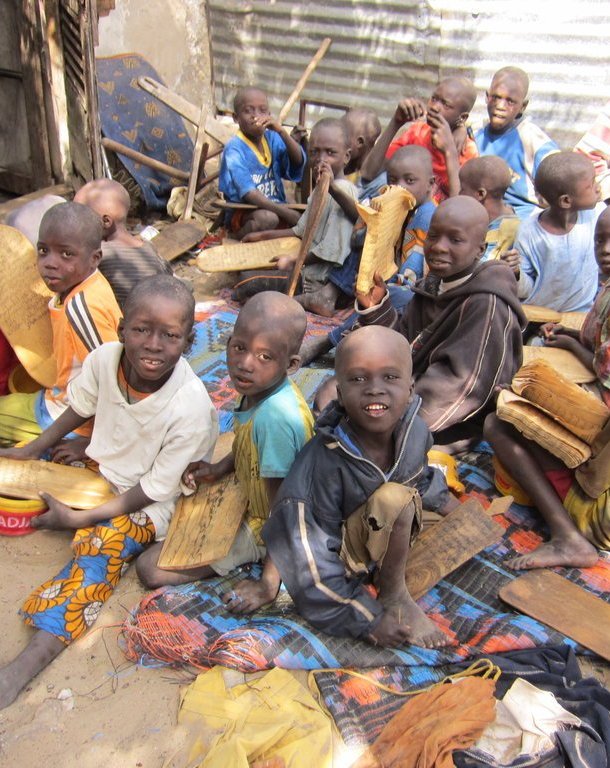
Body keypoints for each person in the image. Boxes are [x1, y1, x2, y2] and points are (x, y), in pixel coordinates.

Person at [0, 275, 218, 709]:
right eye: (140, 330)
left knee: (99, 549)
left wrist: (80, 518)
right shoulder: (105, 359)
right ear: (121, 330)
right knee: (30, 471)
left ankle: (28, 662)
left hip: (151, 503)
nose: (153, 345)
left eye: (169, 335)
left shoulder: (190, 405)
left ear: (189, 341)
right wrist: (34, 450)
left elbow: (154, 489)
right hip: (107, 469)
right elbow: (80, 405)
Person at [263, 325, 458, 648]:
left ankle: (387, 568)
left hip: (383, 531)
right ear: (339, 393)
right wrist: (366, 618)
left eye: (390, 378)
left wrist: (450, 506)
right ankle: (393, 594)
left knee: (419, 504)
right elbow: (308, 555)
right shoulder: (322, 463)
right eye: (358, 379)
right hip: (339, 553)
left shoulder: (414, 431)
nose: (374, 390)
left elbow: (419, 474)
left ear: (410, 390)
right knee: (397, 498)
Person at [136, 291, 314, 613]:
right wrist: (221, 468)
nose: (245, 364)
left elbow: (285, 509)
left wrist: (267, 584)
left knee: (150, 567)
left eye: (265, 357)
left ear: (291, 364)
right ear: (229, 341)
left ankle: (254, 556)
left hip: (268, 523)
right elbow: (250, 445)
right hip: (254, 492)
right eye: (240, 347)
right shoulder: (258, 390)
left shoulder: (276, 418)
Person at [483, 206, 610, 570]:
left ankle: (568, 536)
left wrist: (571, 349)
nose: (605, 249)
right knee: (513, 399)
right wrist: (575, 337)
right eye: (600, 239)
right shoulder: (606, 287)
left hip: (599, 513)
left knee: (500, 420)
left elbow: (603, 372)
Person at [357, 196, 525, 448]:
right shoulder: (435, 283)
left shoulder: (487, 304)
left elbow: (463, 386)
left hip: (456, 416)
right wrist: (377, 309)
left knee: (378, 440)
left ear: (480, 249)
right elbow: (406, 343)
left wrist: (393, 417)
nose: (439, 247)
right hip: (415, 390)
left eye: (455, 240)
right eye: (433, 236)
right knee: (339, 390)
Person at [300, 145, 437, 361]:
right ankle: (329, 296)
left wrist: (380, 284)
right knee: (366, 242)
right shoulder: (399, 208)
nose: (399, 187)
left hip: (415, 293)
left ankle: (327, 342)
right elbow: (357, 241)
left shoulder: (426, 216)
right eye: (393, 180)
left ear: (431, 184)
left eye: (409, 181)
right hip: (392, 278)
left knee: (389, 295)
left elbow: (411, 277)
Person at [0, 202, 121, 444]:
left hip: (70, 418)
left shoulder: (81, 309)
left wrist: (90, 442)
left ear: (94, 258)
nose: (50, 263)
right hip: (63, 396)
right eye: (43, 251)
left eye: (66, 254)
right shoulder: (80, 283)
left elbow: (113, 380)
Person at [244, 118, 359, 298]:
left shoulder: (342, 191)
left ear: (346, 156)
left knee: (245, 284)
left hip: (317, 280)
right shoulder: (320, 189)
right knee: (246, 272)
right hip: (306, 269)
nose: (321, 160)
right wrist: (261, 236)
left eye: (330, 153)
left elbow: (330, 249)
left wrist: (293, 260)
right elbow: (301, 231)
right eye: (314, 152)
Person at [360, 77, 478, 202]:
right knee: (380, 182)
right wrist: (396, 122)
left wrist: (450, 152)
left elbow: (461, 209)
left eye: (446, 104)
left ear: (463, 118)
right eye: (434, 99)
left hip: (433, 218)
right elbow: (368, 174)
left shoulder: (467, 150)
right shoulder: (418, 132)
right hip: (401, 208)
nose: (434, 107)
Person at [514, 151, 604, 313]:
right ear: (566, 201)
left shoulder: (598, 215)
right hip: (540, 314)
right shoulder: (529, 233)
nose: (598, 188)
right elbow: (525, 290)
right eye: (591, 184)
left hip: (583, 313)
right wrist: (515, 273)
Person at [218, 86, 307, 239]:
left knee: (306, 216)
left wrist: (281, 131)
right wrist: (286, 212)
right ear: (235, 117)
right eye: (248, 111)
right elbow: (250, 194)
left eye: (262, 110)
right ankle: (235, 238)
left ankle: (268, 241)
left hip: (275, 207)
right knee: (268, 218)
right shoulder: (234, 149)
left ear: (269, 115)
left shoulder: (273, 138)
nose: (256, 116)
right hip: (245, 212)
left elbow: (298, 162)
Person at [74, 178, 173, 309]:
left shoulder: (100, 255)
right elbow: (168, 278)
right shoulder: (148, 246)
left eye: (80, 219)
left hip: (127, 324)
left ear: (106, 222)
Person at [475, 66, 559, 219]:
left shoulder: (534, 141)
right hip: (480, 216)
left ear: (523, 106)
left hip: (521, 219)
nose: (500, 106)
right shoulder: (475, 134)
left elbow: (560, 184)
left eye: (510, 101)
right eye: (496, 97)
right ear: (487, 97)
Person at [458, 155, 520, 266]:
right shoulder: (500, 214)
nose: (459, 194)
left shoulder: (503, 231)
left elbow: (481, 269)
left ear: (480, 194)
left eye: (462, 188)